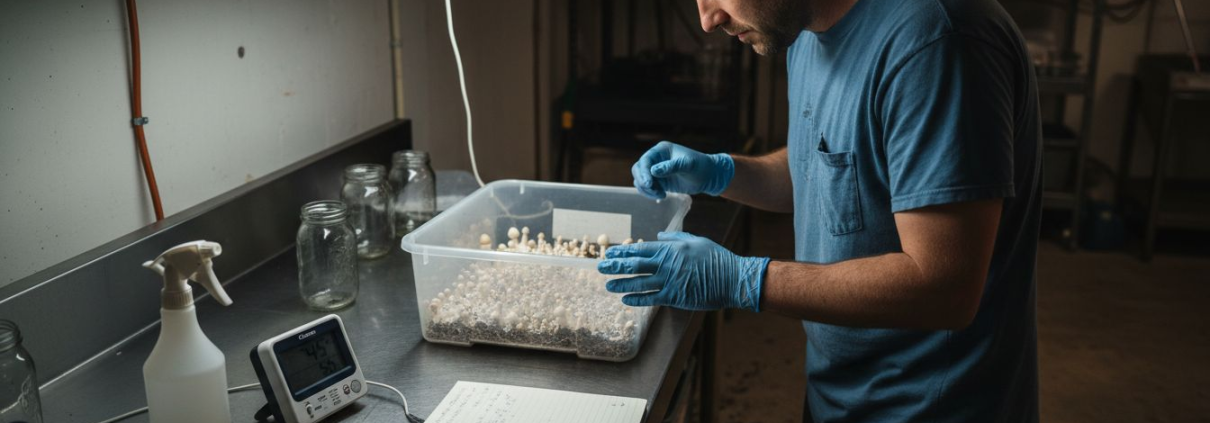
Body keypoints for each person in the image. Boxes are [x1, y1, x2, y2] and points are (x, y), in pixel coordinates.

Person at [596, 0, 1043, 421]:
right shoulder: (806, 26)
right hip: (839, 394)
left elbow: (946, 288)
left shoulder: (937, 42)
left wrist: (743, 279)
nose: (708, 19)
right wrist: (720, 173)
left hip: (931, 406)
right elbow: (827, 171)